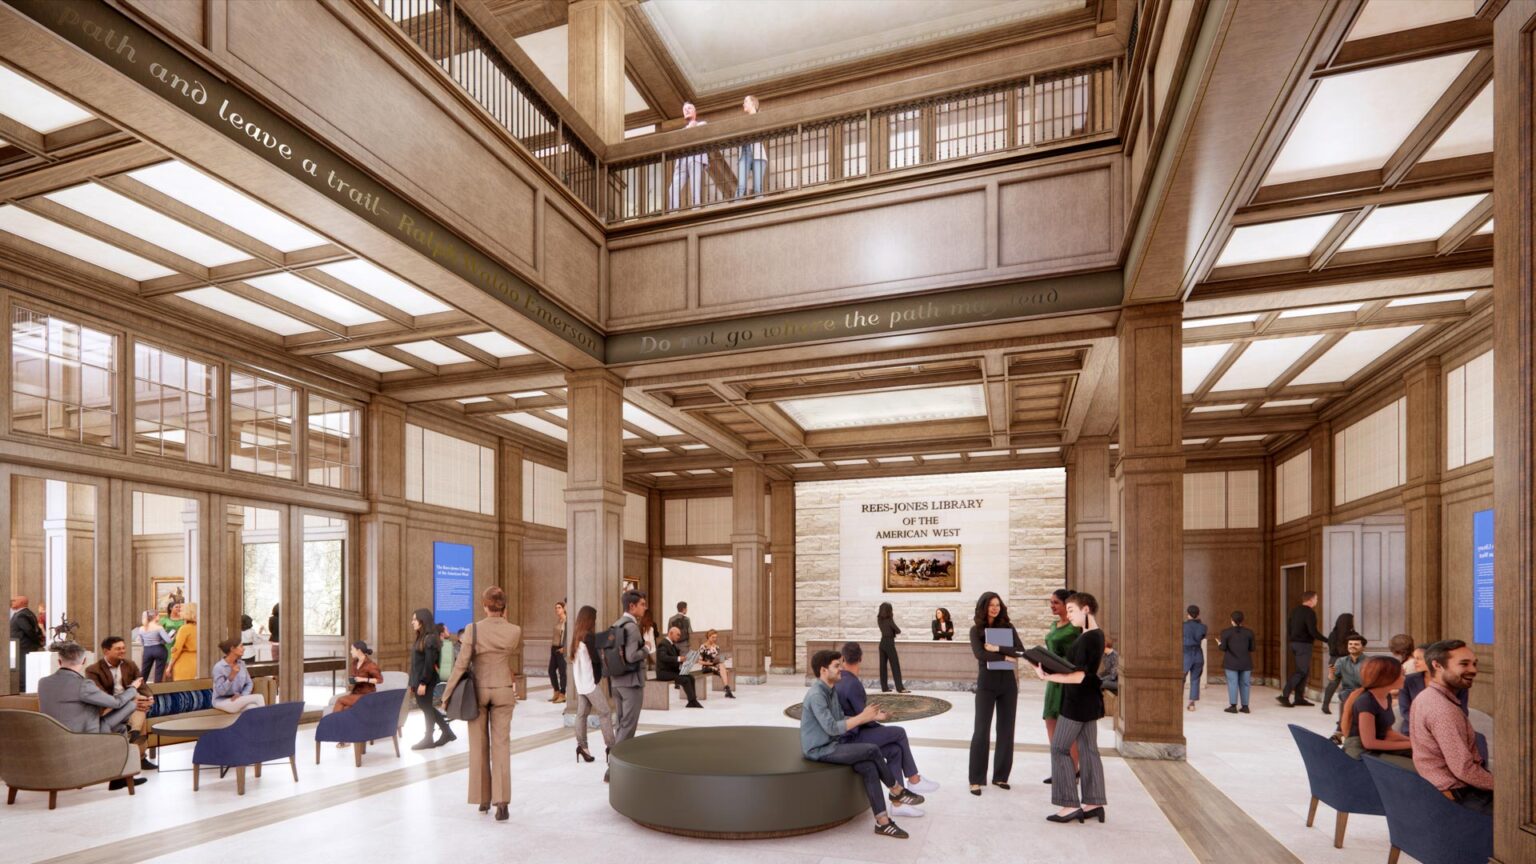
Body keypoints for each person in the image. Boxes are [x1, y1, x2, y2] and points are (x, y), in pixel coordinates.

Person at [800, 649, 924, 839]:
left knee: (869, 767)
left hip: (833, 744)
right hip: (820, 750)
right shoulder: (817, 695)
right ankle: (896, 789)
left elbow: (841, 717)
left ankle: (882, 822)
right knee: (872, 749)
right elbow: (832, 728)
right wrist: (862, 717)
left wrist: (870, 716)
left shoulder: (830, 690)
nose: (840, 668)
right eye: (836, 666)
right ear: (823, 670)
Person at [441, 587, 522, 822]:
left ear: (484, 606)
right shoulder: (514, 631)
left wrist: (446, 695)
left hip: (478, 692)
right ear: (504, 607)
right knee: (501, 747)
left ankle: (483, 799)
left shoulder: (473, 629)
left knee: (478, 747)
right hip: (504, 691)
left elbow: (461, 664)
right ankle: (502, 803)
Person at [1031, 592, 1107, 824]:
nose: (1069, 614)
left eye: (1072, 609)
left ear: (1086, 610)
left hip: (1076, 703)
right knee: (1089, 750)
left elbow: (1079, 677)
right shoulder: (1094, 635)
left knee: (1059, 749)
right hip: (1089, 702)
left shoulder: (1088, 638)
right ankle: (1094, 803)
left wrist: (1048, 677)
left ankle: (1068, 805)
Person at [835, 641, 938, 810]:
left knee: (895, 751)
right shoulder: (853, 684)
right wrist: (879, 718)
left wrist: (876, 718)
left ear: (843, 658)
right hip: (852, 737)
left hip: (847, 733)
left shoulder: (841, 680)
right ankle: (913, 779)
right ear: (861, 658)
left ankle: (897, 804)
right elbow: (864, 717)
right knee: (899, 733)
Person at [37, 642, 146, 791]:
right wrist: (133, 688)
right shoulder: (83, 685)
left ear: (59, 661)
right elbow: (116, 702)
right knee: (131, 704)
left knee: (120, 728)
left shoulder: (43, 683)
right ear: (83, 661)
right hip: (83, 737)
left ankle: (119, 778)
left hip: (53, 738)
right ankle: (119, 778)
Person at [1410, 640, 1492, 813]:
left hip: (1436, 790)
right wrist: (1507, 788)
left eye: (1474, 664)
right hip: (1458, 797)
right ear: (1437, 665)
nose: (1474, 670)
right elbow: (1464, 771)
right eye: (1464, 664)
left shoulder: (1425, 696)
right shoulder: (1443, 710)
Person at [968, 591, 1023, 795]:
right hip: (987, 683)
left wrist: (997, 649)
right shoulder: (976, 630)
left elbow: (1019, 651)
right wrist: (1005, 657)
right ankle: (975, 779)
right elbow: (980, 654)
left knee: (1006, 730)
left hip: (1008, 684)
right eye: (991, 605)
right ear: (983, 606)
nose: (995, 608)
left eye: (997, 605)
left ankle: (1000, 776)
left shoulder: (1008, 627)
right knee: (981, 731)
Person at [85, 636, 155, 770]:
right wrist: (131, 700)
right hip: (109, 707)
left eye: (123, 648)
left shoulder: (130, 664)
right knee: (138, 708)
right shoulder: (93, 670)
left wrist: (149, 698)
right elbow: (101, 696)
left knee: (141, 706)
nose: (123, 651)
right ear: (106, 651)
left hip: (130, 703)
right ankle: (139, 754)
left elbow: (141, 684)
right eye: (118, 649)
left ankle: (135, 734)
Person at [1339, 656, 1414, 770]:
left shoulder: (1386, 696)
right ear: (1387, 678)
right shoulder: (1366, 702)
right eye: (1402, 674)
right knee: (1418, 767)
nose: (1405, 678)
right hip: (1361, 753)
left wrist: (1414, 742)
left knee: (1423, 756)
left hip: (1376, 748)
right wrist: (1412, 745)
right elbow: (1369, 743)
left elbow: (1388, 733)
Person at [566, 605, 615, 765]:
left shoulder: (576, 636)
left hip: (580, 683)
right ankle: (611, 748)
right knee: (605, 712)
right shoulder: (589, 637)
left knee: (582, 715)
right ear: (589, 619)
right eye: (594, 618)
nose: (595, 621)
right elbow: (595, 660)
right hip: (589, 682)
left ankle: (582, 747)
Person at [1043, 587, 1081, 779]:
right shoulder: (1053, 625)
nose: (1052, 606)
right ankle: (1059, 769)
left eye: (1056, 602)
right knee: (1051, 721)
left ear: (1067, 605)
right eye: (1051, 602)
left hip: (1067, 681)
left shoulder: (1075, 628)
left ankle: (1073, 770)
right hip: (1052, 681)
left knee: (1067, 727)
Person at [609, 590, 650, 763]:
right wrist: (647, 648)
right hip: (631, 683)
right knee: (628, 726)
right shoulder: (632, 627)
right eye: (642, 604)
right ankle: (614, 766)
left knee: (620, 723)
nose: (644, 607)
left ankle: (616, 764)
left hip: (617, 681)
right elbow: (632, 656)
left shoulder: (617, 624)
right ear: (631, 606)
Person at [408, 609, 455, 750]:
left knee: (426, 708)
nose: (412, 622)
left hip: (425, 680)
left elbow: (429, 663)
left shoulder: (430, 639)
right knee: (426, 707)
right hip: (419, 680)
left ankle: (429, 738)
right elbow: (416, 662)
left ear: (422, 621)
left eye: (415, 619)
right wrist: (413, 682)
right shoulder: (422, 637)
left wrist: (423, 682)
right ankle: (447, 732)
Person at [1399, 641, 1469, 732]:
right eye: (1414, 658)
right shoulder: (1408, 681)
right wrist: (1427, 725)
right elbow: (1405, 710)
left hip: (1448, 729)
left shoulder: (1458, 682)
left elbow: (1462, 711)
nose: (1414, 662)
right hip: (1415, 729)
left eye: (1419, 658)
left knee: (1479, 740)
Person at [1280, 590, 1326, 707]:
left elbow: (1289, 627)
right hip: (1304, 645)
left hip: (1294, 644)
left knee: (1304, 671)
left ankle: (1299, 698)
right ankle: (1284, 696)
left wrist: (1292, 639)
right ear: (1311, 600)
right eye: (1316, 599)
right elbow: (1313, 631)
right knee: (1301, 671)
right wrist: (1327, 640)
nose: (1317, 601)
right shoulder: (1310, 613)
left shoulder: (1295, 610)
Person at [668, 102, 709, 209]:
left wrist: (690, 127)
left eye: (689, 108)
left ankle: (696, 211)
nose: (686, 110)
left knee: (695, 187)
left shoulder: (702, 124)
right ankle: (673, 213)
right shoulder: (682, 131)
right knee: (672, 189)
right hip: (682, 161)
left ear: (695, 112)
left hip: (695, 158)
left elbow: (698, 132)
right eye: (684, 109)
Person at [211, 638, 265, 714]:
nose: (244, 648)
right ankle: (268, 725)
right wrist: (232, 676)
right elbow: (220, 692)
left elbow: (249, 683)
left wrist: (242, 695)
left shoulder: (241, 664)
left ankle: (254, 726)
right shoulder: (219, 667)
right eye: (241, 646)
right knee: (259, 697)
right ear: (232, 649)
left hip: (238, 699)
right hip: (222, 702)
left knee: (252, 707)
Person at [332, 640, 381, 723]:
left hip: (366, 695)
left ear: (358, 651)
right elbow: (354, 677)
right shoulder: (355, 663)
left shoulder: (370, 665)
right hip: (356, 693)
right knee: (345, 708)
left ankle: (332, 726)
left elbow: (379, 680)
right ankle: (340, 729)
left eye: (352, 649)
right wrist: (352, 681)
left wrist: (364, 679)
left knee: (340, 700)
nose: (350, 651)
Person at [1329, 633, 1367, 733]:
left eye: (1356, 644)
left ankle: (1340, 730)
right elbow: (1333, 680)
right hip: (1347, 691)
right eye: (1350, 644)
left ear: (1363, 647)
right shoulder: (1341, 661)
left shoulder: (1369, 661)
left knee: (1350, 700)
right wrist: (1331, 673)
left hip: (1364, 691)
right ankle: (1343, 729)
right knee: (1347, 696)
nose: (1352, 646)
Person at [1218, 611, 1255, 713]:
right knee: (1245, 684)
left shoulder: (1225, 632)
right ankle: (1245, 706)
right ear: (1242, 620)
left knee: (1232, 683)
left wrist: (1219, 644)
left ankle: (1233, 706)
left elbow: (1223, 648)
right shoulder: (1249, 632)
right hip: (1246, 662)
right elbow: (1252, 648)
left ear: (1232, 620)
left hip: (1231, 662)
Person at [657, 626, 702, 708]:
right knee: (685, 680)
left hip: (672, 671)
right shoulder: (663, 644)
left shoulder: (672, 644)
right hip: (664, 672)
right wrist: (678, 658)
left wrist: (684, 660)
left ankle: (693, 700)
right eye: (677, 635)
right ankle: (692, 701)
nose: (679, 637)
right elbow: (663, 657)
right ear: (671, 633)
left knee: (690, 677)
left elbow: (674, 658)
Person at [1321, 613, 1357, 715]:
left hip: (1333, 660)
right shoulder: (1353, 635)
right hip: (1347, 661)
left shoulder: (1332, 634)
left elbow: (1331, 649)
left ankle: (1325, 705)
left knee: (1332, 684)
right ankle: (1347, 707)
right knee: (1349, 686)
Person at [9, 595, 45, 689]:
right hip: (23, 646)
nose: (12, 602)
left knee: (22, 667)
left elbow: (29, 630)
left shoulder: (21, 614)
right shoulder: (28, 613)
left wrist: (37, 641)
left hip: (22, 646)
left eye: (14, 601)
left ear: (21, 603)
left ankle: (22, 687)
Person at [736, 95, 767, 198]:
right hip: (744, 152)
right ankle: (735, 209)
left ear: (753, 103)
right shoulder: (742, 122)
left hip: (758, 153)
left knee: (758, 188)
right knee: (741, 186)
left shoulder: (761, 117)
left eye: (745, 101)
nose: (743, 104)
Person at [876, 602, 908, 693]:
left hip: (882, 643)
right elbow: (898, 630)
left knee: (883, 666)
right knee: (895, 665)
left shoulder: (879, 619)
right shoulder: (889, 620)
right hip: (889, 643)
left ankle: (884, 687)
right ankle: (900, 688)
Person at [1182, 605, 1207, 711]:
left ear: (1187, 614)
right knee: (1195, 679)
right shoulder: (1203, 627)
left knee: (1180, 678)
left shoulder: (1183, 625)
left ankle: (1177, 702)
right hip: (1198, 654)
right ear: (1198, 614)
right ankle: (1192, 704)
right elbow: (1202, 637)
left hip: (1185, 654)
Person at [698, 628, 734, 698]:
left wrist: (724, 658)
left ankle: (727, 688)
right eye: (713, 637)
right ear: (708, 637)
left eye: (716, 637)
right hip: (707, 667)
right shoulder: (703, 647)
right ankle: (727, 690)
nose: (714, 639)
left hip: (716, 665)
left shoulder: (717, 646)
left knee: (721, 664)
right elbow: (700, 661)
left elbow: (719, 658)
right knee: (723, 670)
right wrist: (711, 663)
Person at [135, 610, 170, 684]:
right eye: (158, 615)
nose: (159, 617)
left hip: (147, 650)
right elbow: (168, 640)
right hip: (159, 649)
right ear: (155, 616)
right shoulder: (159, 627)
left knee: (144, 672)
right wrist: (162, 641)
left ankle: (140, 688)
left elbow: (141, 642)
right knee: (159, 673)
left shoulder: (142, 628)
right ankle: (157, 690)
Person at [169, 602, 198, 682]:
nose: (179, 612)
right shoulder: (200, 627)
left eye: (181, 610)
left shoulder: (184, 629)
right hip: (197, 661)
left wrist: (169, 666)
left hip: (184, 662)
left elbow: (176, 649)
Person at [549, 601, 567, 704]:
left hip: (561, 649)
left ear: (564, 609)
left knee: (562, 673)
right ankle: (556, 691)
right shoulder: (558, 621)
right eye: (556, 608)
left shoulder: (566, 621)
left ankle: (563, 694)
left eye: (559, 607)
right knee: (551, 670)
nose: (557, 610)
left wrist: (565, 648)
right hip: (554, 648)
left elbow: (569, 636)